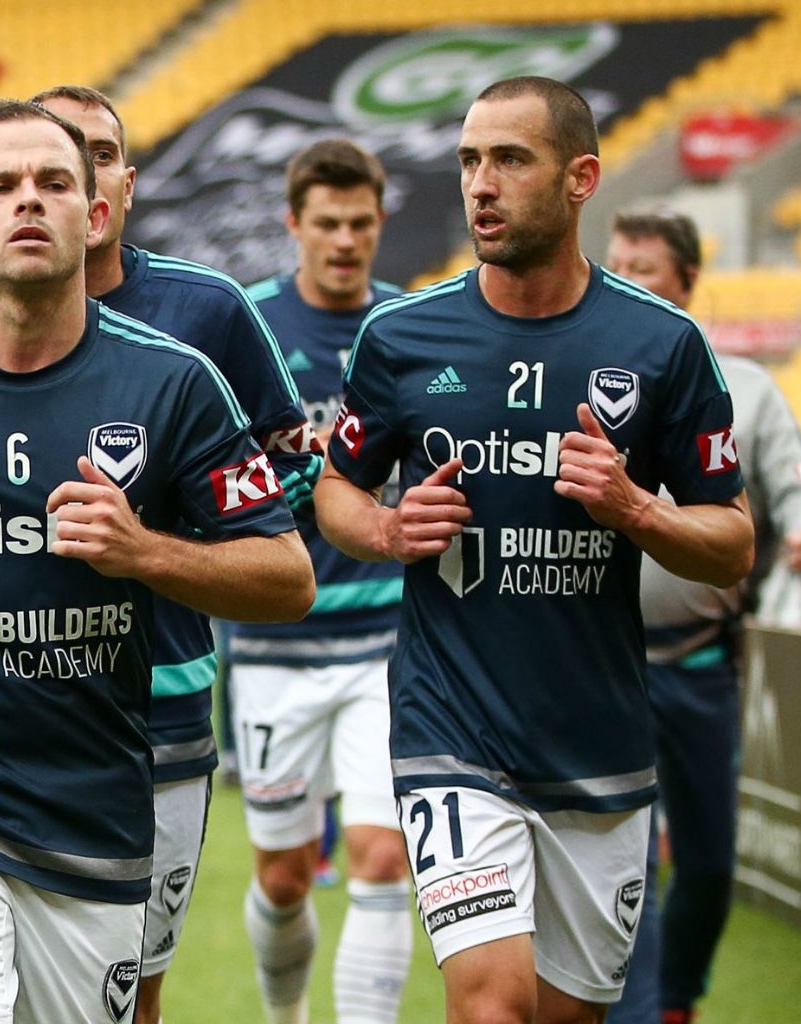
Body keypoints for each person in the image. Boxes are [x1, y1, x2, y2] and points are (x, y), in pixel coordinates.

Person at [0, 98, 315, 1023]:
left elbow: (286, 577)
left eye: (54, 183)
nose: (28, 202)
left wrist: (144, 551)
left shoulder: (175, 383)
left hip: (96, 804)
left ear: (97, 211)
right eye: (0, 185)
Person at [314, 77, 753, 1024]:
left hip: (600, 747)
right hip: (452, 731)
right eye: (471, 160)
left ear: (581, 177)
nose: (481, 183)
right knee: (490, 1007)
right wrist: (388, 530)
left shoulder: (663, 344)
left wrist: (639, 510)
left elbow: (732, 544)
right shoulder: (400, 337)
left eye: (510, 159)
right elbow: (334, 490)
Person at [605, 205, 801, 1024]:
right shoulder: (580, 370)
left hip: (704, 661)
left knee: (706, 862)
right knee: (623, 857)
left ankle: (677, 1001)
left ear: (689, 281)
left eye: (645, 268)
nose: (626, 281)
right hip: (604, 661)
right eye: (618, 264)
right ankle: (635, 1013)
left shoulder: (746, 386)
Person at [229, 139, 412, 1024]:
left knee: (382, 858)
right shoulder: (250, 329)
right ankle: (286, 1014)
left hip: (389, 644)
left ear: (381, 224)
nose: (345, 241)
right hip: (274, 648)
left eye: (361, 224)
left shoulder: (411, 328)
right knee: (285, 875)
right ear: (295, 224)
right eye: (328, 224)